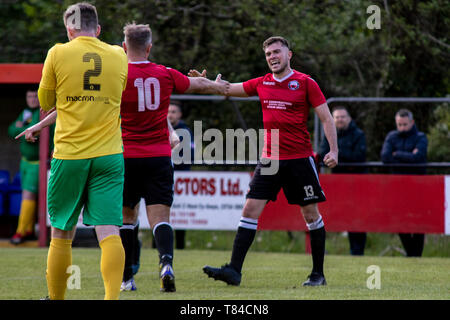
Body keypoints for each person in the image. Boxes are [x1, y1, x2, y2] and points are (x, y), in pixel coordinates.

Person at [192, 36, 338, 286]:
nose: (272, 56)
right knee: (249, 210)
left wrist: (333, 150)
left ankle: (317, 275)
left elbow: (326, 118)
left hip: (300, 160)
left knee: (311, 214)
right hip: (269, 160)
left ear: (289, 54)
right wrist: (204, 83)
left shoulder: (305, 83)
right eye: (268, 53)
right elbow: (227, 88)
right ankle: (234, 271)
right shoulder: (262, 82)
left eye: (276, 52)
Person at [118, 23, 229, 292]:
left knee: (127, 219)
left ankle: (127, 279)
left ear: (124, 47)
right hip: (158, 156)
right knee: (161, 218)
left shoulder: (117, 75)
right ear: (149, 47)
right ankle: (166, 263)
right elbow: (196, 83)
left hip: (126, 156)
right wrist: (216, 85)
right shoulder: (165, 73)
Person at [34, 2, 127, 300]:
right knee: (110, 230)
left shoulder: (57, 53)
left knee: (61, 233)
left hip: (70, 155)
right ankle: (112, 298)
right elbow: (118, 93)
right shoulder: (118, 54)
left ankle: (58, 298)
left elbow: (45, 100)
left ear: (69, 28)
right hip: (109, 156)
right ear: (97, 29)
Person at [318, 106, 367, 255]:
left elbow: (359, 156)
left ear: (349, 119)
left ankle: (357, 252)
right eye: (337, 117)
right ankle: (322, 250)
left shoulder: (359, 134)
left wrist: (336, 154)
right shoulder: (328, 134)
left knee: (357, 218)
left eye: (342, 117)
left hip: (357, 183)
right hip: (336, 183)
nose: (340, 120)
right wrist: (340, 155)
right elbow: (321, 154)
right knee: (327, 215)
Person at [8, 88, 54, 245]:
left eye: (35, 96)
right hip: (25, 161)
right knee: (27, 195)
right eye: (29, 96)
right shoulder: (26, 112)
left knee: (28, 195)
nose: (32, 99)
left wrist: (26, 127)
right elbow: (12, 129)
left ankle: (20, 233)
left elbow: (36, 130)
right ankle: (27, 229)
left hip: (38, 163)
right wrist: (23, 127)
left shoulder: (43, 112)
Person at [381, 108, 428, 257]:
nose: (401, 127)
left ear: (412, 122)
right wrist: (409, 155)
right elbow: (385, 157)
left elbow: (419, 157)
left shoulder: (421, 137)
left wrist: (397, 154)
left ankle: (417, 254)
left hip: (418, 186)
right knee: (400, 219)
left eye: (405, 124)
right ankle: (410, 252)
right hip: (398, 186)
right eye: (399, 124)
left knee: (419, 219)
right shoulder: (392, 136)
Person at [167, 100, 194, 250]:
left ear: (180, 115)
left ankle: (180, 247)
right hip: (164, 176)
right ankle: (156, 245)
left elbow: (186, 156)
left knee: (181, 213)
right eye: (168, 111)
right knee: (160, 212)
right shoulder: (161, 129)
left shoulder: (185, 131)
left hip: (180, 178)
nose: (170, 115)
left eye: (173, 112)